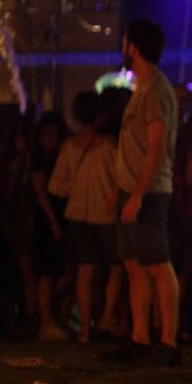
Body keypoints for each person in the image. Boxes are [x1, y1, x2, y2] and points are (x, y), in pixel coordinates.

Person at [106, 19, 181, 366]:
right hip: (132, 190)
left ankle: (167, 342)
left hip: (148, 192)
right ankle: (139, 338)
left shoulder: (155, 89)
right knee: (135, 265)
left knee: (158, 265)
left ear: (133, 46)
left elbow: (155, 146)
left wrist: (137, 194)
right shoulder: (143, 87)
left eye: (125, 42)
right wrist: (121, 190)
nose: (122, 49)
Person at [48, 91, 123, 345]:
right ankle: (105, 320)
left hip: (77, 215)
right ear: (101, 115)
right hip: (106, 215)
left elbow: (56, 186)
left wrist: (75, 187)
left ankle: (84, 331)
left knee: (85, 271)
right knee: (114, 268)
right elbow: (123, 180)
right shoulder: (110, 146)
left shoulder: (68, 147)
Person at [29, 111, 71, 341]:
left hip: (59, 217)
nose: (53, 138)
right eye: (49, 134)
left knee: (59, 271)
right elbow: (40, 193)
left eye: (56, 134)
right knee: (46, 272)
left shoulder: (58, 158)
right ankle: (46, 321)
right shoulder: (39, 160)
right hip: (48, 220)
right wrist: (52, 221)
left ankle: (56, 318)